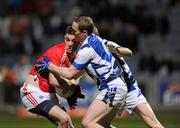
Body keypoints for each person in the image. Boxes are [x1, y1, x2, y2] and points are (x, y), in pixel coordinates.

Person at [36, 16, 129, 128]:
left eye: (75, 31)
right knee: (101, 125)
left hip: (112, 87)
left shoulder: (86, 49)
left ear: (84, 33)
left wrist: (49, 66)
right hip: (117, 86)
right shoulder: (95, 38)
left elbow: (70, 73)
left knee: (87, 123)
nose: (73, 34)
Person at [20, 26, 84, 128]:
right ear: (64, 38)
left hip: (50, 95)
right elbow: (53, 81)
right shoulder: (58, 52)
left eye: (74, 41)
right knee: (64, 119)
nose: (70, 44)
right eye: (68, 40)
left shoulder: (75, 59)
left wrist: (71, 93)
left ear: (79, 42)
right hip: (32, 92)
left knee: (68, 125)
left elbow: (72, 80)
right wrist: (72, 88)